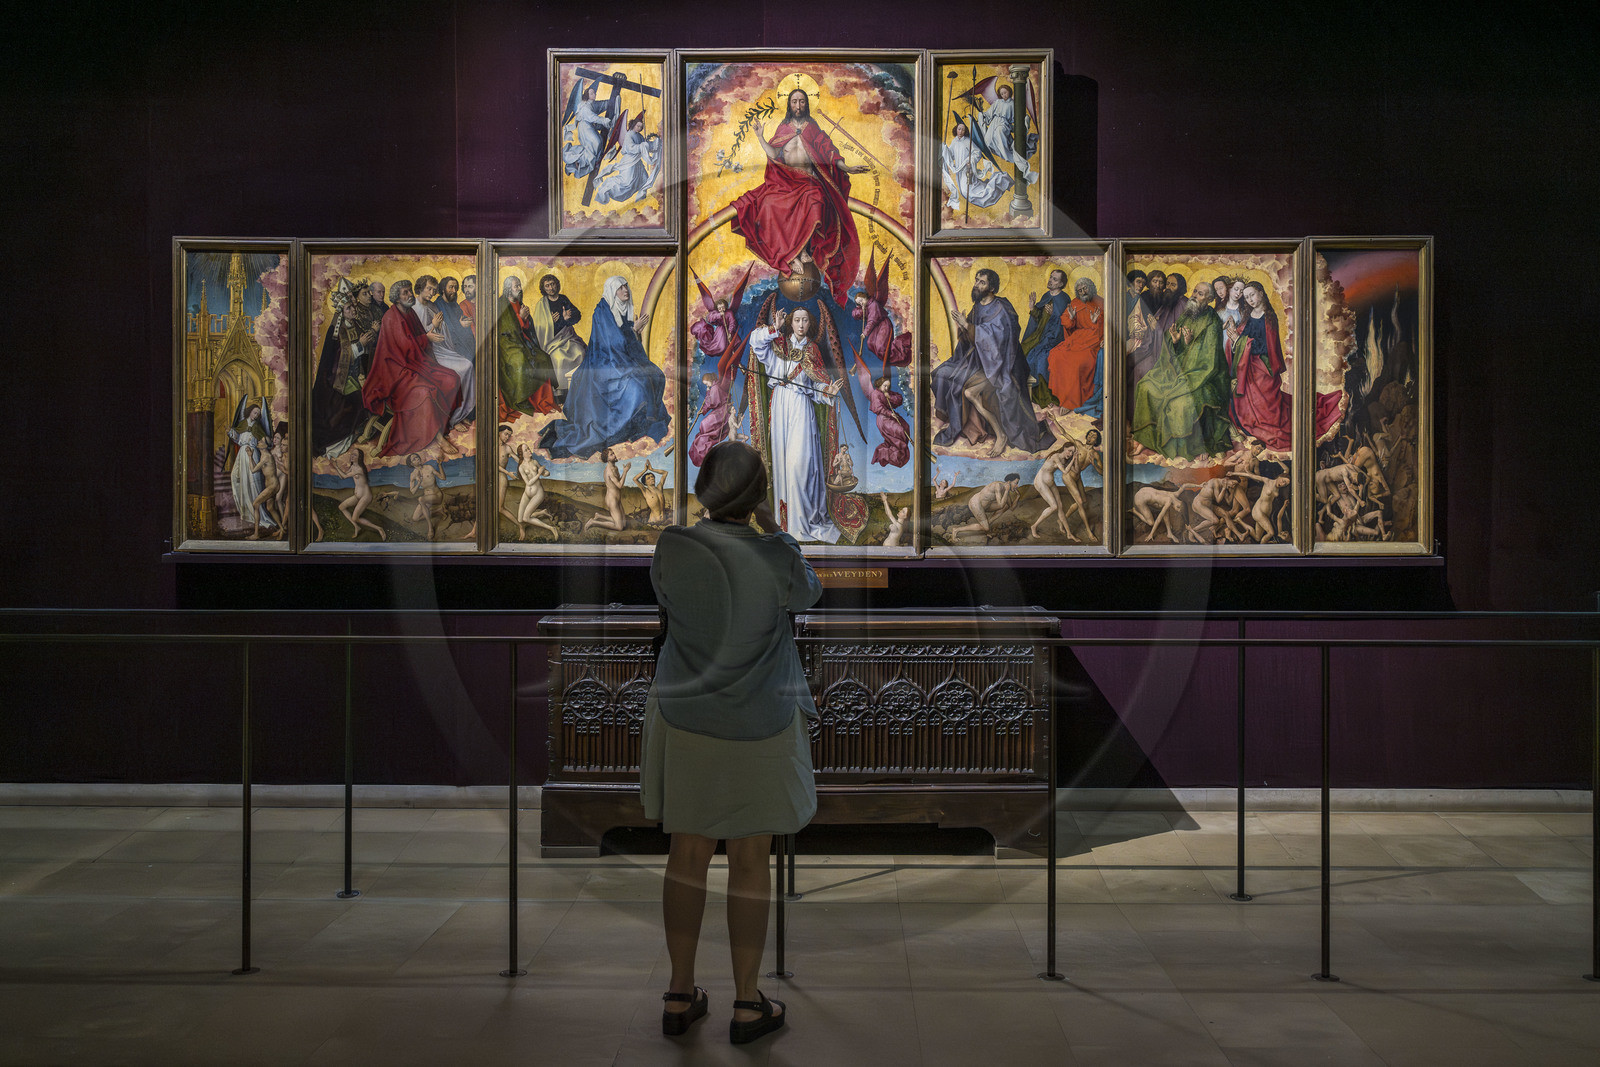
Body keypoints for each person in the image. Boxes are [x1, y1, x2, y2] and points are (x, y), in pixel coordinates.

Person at [644, 440, 821, 1045]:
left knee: (686, 855)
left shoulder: (673, 546)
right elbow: (809, 595)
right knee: (750, 859)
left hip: (687, 717)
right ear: (756, 498)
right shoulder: (778, 558)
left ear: (703, 492)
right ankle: (748, 1004)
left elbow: (667, 601)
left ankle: (678, 992)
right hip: (760, 723)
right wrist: (774, 529)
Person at [732, 86, 868, 302]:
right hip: (785, 182)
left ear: (807, 104)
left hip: (809, 181)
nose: (798, 105)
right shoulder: (783, 128)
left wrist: (847, 168)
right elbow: (774, 154)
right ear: (789, 105)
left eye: (802, 101)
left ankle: (803, 249)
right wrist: (760, 137)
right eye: (794, 101)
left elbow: (830, 152)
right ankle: (791, 256)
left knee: (816, 202)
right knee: (768, 205)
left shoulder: (813, 129)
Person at [539, 276, 669, 459]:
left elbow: (624, 341)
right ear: (611, 291)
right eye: (620, 288)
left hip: (621, 361)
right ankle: (624, 427)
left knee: (655, 375)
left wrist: (634, 331)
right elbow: (612, 344)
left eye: (626, 287)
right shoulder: (602, 311)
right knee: (635, 389)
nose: (626, 291)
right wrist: (634, 331)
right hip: (604, 366)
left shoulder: (623, 309)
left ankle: (638, 424)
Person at [748, 307, 844, 543]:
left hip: (802, 407)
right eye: (797, 320)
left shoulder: (812, 351)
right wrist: (774, 328)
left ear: (810, 324)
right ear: (790, 323)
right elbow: (755, 342)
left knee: (799, 465)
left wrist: (827, 391)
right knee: (782, 464)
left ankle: (804, 522)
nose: (801, 324)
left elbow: (817, 386)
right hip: (780, 406)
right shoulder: (777, 345)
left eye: (805, 320)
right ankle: (788, 524)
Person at [931, 268, 1052, 456]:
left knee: (967, 391)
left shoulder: (1003, 308)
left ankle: (1000, 434)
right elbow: (969, 336)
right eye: (976, 280)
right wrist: (963, 329)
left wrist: (968, 326)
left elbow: (1000, 340)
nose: (977, 285)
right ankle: (952, 419)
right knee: (942, 373)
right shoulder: (978, 307)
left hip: (1004, 364)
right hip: (979, 361)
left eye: (982, 282)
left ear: (992, 287)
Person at [1129, 279, 1232, 460]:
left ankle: (1185, 449)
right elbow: (1171, 345)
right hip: (1176, 370)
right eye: (1194, 292)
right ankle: (1146, 439)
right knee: (1145, 386)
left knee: (1179, 404)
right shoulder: (1187, 314)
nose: (1194, 296)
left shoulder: (1212, 322)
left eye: (1200, 294)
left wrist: (1189, 343)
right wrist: (1176, 342)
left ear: (1208, 299)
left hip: (1203, 378)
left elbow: (1210, 361)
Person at [362, 279, 462, 458]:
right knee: (425, 391)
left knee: (451, 378)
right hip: (395, 372)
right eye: (405, 293)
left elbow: (416, 341)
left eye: (409, 291)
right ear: (396, 299)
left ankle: (446, 421)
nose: (410, 295)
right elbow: (405, 348)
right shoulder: (391, 317)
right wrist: (427, 338)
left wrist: (427, 338)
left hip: (415, 364)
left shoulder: (409, 313)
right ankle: (438, 436)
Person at [497, 276, 558, 418]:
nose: (519, 288)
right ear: (508, 289)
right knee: (520, 361)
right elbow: (506, 330)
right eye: (515, 286)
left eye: (519, 285)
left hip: (522, 342)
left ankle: (543, 402)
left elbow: (527, 329)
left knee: (543, 358)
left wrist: (525, 319)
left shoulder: (520, 303)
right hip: (507, 345)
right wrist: (520, 318)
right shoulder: (501, 304)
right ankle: (521, 401)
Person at [1046, 277, 1105, 415]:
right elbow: (1066, 322)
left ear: (1091, 287)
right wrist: (1071, 318)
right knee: (1056, 355)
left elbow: (1109, 326)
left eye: (1085, 288)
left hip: (1094, 339)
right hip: (1077, 338)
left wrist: (1096, 322)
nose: (1083, 292)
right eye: (1080, 290)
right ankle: (1060, 397)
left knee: (1077, 362)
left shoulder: (1101, 302)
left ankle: (1071, 402)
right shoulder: (1075, 302)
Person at [941, 117, 1012, 214]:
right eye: (959, 129)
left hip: (967, 169)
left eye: (963, 129)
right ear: (956, 129)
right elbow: (951, 155)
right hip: (959, 170)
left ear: (965, 131)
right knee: (963, 191)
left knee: (968, 190)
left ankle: (996, 185)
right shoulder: (954, 141)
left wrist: (971, 160)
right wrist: (945, 149)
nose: (960, 131)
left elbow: (977, 152)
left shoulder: (967, 141)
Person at [531, 274, 586, 395]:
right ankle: (561, 392)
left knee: (580, 352)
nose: (551, 288)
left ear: (557, 284)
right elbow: (539, 327)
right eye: (547, 286)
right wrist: (550, 322)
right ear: (543, 289)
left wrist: (566, 319)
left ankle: (578, 389)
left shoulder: (563, 299)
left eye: (552, 284)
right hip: (551, 342)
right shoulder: (542, 304)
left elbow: (577, 315)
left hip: (567, 337)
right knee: (558, 358)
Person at [974, 82, 1038, 184]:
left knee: (1000, 132)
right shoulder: (998, 102)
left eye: (1005, 92)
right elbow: (989, 114)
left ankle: (1009, 155)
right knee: (988, 140)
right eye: (1002, 93)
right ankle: (1002, 153)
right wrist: (982, 115)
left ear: (1009, 92)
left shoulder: (1013, 104)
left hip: (1004, 124)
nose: (1004, 95)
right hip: (995, 123)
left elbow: (1017, 118)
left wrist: (1024, 121)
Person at [1022, 270, 1070, 405]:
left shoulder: (1064, 299)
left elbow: (1065, 323)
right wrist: (1033, 309)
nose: (1050, 280)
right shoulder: (1046, 295)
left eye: (1054, 279)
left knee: (1042, 358)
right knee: (1026, 353)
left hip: (1056, 339)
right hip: (1041, 336)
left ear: (1061, 283)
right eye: (1050, 277)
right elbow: (1039, 320)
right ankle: (1032, 396)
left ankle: (1046, 398)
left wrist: (1053, 314)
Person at [593, 114, 661, 205]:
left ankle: (641, 201)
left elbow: (647, 145)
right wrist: (642, 146)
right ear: (633, 125)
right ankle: (607, 188)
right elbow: (630, 148)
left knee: (644, 179)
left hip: (637, 162)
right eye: (638, 126)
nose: (639, 128)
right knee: (626, 182)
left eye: (641, 127)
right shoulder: (629, 134)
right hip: (629, 161)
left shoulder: (640, 136)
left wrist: (654, 144)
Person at [948, 473, 1022, 540]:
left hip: (985, 506)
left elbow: (1011, 508)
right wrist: (1006, 491)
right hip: (975, 504)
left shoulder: (1006, 491)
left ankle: (987, 525)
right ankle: (956, 530)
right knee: (986, 527)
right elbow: (1000, 504)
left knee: (1006, 506)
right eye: (1016, 483)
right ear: (1009, 482)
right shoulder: (998, 486)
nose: (1017, 486)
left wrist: (1018, 497)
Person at [563, 82, 613, 177]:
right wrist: (603, 120)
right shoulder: (585, 106)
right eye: (591, 93)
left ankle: (574, 165)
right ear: (587, 96)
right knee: (596, 142)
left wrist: (613, 100)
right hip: (584, 128)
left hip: (589, 127)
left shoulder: (593, 104)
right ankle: (578, 162)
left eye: (594, 93)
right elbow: (592, 117)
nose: (594, 94)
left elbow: (603, 105)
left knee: (596, 144)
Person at [335, 448, 384, 541]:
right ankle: (356, 527)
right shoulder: (353, 467)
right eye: (352, 454)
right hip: (358, 495)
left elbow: (345, 476)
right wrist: (336, 467)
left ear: (359, 458)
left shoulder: (360, 469)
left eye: (355, 455)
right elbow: (342, 476)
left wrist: (336, 467)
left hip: (365, 496)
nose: (352, 456)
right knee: (341, 507)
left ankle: (379, 528)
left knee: (355, 518)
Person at [582, 447, 630, 533]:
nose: (614, 455)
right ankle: (593, 522)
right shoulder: (609, 471)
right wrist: (625, 471)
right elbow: (619, 485)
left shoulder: (615, 468)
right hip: (612, 500)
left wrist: (624, 471)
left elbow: (618, 483)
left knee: (624, 524)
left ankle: (599, 516)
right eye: (611, 455)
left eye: (614, 453)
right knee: (619, 527)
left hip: (617, 498)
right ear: (607, 459)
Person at [514, 445, 557, 540]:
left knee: (526, 518)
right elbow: (528, 483)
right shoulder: (521, 467)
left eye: (528, 449)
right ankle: (542, 512)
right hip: (527, 493)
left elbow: (546, 473)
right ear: (522, 454)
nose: (529, 451)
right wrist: (538, 474)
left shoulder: (535, 462)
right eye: (526, 450)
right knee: (520, 519)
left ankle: (551, 528)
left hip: (538, 492)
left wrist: (544, 472)